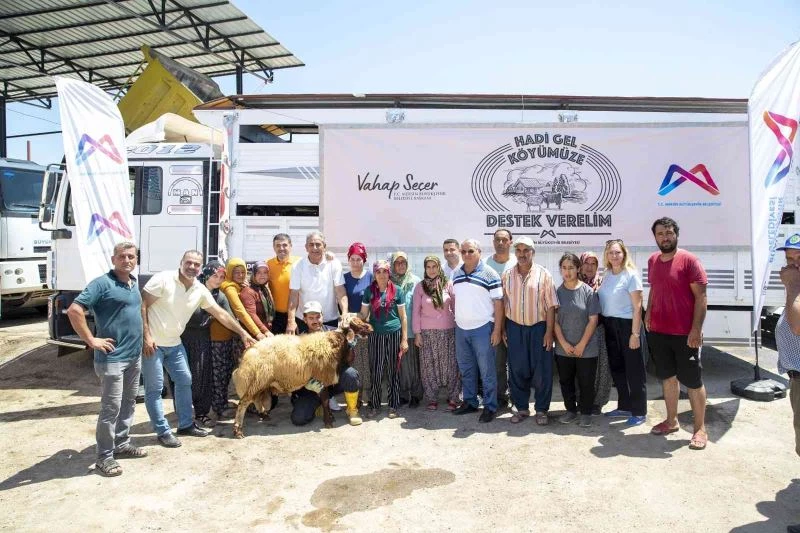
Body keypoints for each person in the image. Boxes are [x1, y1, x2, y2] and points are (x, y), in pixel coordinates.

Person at [141, 250, 257, 448]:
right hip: (154, 344)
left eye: (196, 264)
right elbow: (142, 305)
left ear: (200, 267)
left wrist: (243, 333)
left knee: (185, 380)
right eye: (189, 262)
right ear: (181, 262)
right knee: (155, 389)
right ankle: (162, 431)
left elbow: (221, 314)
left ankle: (186, 425)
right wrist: (146, 336)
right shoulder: (163, 279)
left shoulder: (199, 289)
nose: (192, 267)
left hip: (174, 343)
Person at [67, 242, 145, 477]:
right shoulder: (102, 283)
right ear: (113, 259)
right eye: (122, 256)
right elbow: (74, 310)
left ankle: (121, 443)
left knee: (129, 403)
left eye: (131, 256)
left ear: (136, 260)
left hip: (133, 357)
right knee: (111, 408)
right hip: (112, 358)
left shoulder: (133, 282)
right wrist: (91, 340)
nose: (127, 260)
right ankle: (104, 457)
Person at [646, 217, 709, 449]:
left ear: (676, 235)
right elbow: (654, 289)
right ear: (655, 237)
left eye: (669, 233)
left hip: (685, 334)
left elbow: (701, 297)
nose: (665, 237)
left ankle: (700, 429)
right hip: (659, 332)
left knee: (693, 381)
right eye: (660, 234)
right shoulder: (653, 260)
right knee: (668, 378)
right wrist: (648, 312)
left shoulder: (689, 261)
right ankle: (671, 421)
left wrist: (696, 329)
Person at [501, 236, 558, 425]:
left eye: (526, 250)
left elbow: (551, 306)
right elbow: (503, 303)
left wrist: (549, 332)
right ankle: (522, 408)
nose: (522, 254)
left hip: (539, 328)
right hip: (514, 327)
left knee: (542, 371)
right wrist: (503, 328)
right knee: (517, 369)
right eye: (518, 250)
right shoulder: (507, 275)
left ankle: (541, 410)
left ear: (533, 252)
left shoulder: (544, 275)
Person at [452, 238, 503, 423]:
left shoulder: (490, 274)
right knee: (466, 369)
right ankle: (470, 402)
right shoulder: (456, 273)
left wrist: (497, 330)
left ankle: (490, 407)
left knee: (487, 371)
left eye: (471, 251)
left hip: (483, 328)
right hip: (461, 329)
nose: (466, 254)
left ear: (479, 252)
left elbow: (499, 304)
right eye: (463, 251)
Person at [289, 301, 363, 427]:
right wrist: (306, 382)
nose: (315, 321)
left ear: (322, 316)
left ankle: (352, 410)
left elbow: (349, 360)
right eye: (311, 318)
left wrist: (349, 345)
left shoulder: (335, 333)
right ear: (304, 319)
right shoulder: (299, 340)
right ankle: (318, 403)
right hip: (312, 386)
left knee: (350, 374)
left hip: (333, 380)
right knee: (298, 419)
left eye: (318, 317)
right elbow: (296, 369)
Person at [598, 239, 647, 427]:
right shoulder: (607, 274)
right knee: (617, 369)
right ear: (607, 255)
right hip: (610, 325)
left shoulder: (631, 275)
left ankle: (639, 411)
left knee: (634, 371)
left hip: (628, 326)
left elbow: (637, 307)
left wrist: (635, 334)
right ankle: (625, 406)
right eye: (611, 253)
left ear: (624, 254)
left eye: (618, 252)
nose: (614, 256)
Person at [554, 253, 600, 427]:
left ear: (578, 269)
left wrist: (581, 344)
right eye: (564, 268)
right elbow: (554, 322)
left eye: (571, 268)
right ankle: (571, 411)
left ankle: (586, 412)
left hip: (586, 348)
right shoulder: (556, 293)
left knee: (586, 382)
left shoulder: (588, 292)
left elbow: (593, 321)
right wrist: (564, 344)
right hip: (563, 348)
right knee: (566, 381)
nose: (567, 272)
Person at [179, 260, 226, 428]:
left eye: (222, 277)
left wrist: (246, 335)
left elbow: (229, 316)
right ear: (206, 275)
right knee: (182, 377)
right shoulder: (193, 290)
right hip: (182, 338)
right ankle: (183, 414)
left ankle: (201, 413)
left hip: (202, 339)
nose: (218, 280)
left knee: (202, 377)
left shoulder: (219, 296)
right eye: (215, 275)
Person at [360, 259, 409, 419]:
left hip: (394, 333)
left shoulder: (397, 291)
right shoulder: (369, 291)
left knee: (393, 371)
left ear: (389, 273)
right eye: (378, 271)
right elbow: (363, 314)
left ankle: (393, 405)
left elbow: (403, 317)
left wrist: (404, 339)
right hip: (375, 335)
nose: (381, 275)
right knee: (376, 371)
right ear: (374, 274)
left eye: (385, 271)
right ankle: (374, 405)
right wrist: (351, 317)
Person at [412, 255, 461, 411]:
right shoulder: (420, 287)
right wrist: (417, 333)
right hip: (427, 333)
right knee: (428, 367)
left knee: (451, 365)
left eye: (434, 266)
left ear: (439, 267)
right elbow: (415, 312)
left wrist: (460, 329)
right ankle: (432, 399)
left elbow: (456, 307)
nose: (431, 270)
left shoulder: (448, 284)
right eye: (428, 267)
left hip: (448, 332)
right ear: (425, 269)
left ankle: (453, 398)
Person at [287, 231, 347, 334]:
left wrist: (345, 313)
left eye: (318, 244)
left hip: (329, 320)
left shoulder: (334, 263)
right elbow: (293, 295)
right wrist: (291, 321)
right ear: (306, 247)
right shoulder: (297, 266)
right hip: (304, 321)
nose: (315, 248)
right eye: (311, 244)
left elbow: (340, 291)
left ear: (324, 246)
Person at [485, 228, 517, 411]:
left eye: (505, 240)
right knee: (497, 363)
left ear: (510, 242)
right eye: (497, 239)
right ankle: (501, 397)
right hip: (493, 322)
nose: (501, 243)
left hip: (515, 321)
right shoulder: (485, 264)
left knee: (517, 363)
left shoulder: (517, 262)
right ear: (493, 242)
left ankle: (517, 397)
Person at [579, 251, 612, 415]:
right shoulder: (574, 282)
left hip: (600, 332)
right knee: (581, 368)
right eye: (586, 263)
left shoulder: (603, 283)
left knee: (601, 368)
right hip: (579, 331)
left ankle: (597, 402)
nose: (589, 267)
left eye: (593, 264)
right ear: (580, 265)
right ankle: (581, 400)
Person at [392, 251, 423, 408]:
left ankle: (416, 395)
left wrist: (418, 332)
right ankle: (403, 394)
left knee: (414, 365)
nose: (401, 265)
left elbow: (419, 307)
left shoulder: (415, 281)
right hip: (394, 331)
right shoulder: (388, 282)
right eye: (397, 263)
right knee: (399, 366)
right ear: (393, 265)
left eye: (403, 262)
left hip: (412, 330)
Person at [343, 242, 373, 406]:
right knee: (353, 362)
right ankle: (356, 397)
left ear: (364, 260)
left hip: (367, 327)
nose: (355, 262)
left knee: (367, 362)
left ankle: (370, 395)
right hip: (350, 328)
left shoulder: (371, 277)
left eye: (359, 259)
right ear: (348, 260)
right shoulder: (344, 278)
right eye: (352, 259)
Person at [220, 258, 268, 340]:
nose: (240, 275)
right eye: (236, 272)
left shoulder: (239, 285)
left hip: (233, 330)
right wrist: (257, 333)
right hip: (224, 335)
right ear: (230, 273)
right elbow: (240, 312)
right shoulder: (230, 289)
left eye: (243, 272)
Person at [267, 233, 301, 334]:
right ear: (274, 247)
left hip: (297, 315)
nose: (281, 248)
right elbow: (257, 280)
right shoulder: (268, 264)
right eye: (278, 245)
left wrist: (328, 256)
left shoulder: (300, 263)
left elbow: (316, 262)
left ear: (290, 246)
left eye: (285, 245)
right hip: (276, 316)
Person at [240, 261, 276, 336]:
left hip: (266, 331)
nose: (262, 275)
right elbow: (251, 314)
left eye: (265, 272)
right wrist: (265, 331)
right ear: (254, 274)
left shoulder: (264, 289)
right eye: (259, 272)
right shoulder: (248, 291)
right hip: (254, 334)